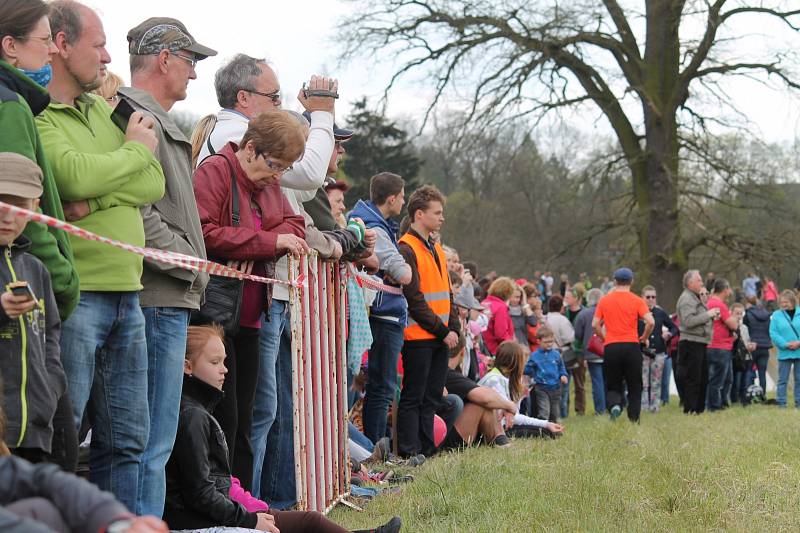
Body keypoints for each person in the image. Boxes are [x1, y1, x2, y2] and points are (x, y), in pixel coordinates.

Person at [38, 0, 166, 509]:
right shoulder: (40, 113)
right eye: (98, 45)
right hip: (78, 297)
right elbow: (70, 176)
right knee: (64, 438)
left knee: (129, 443)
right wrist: (131, 155)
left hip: (127, 294)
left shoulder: (102, 110)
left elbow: (153, 181)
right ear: (62, 45)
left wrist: (94, 199)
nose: (109, 56)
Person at [164, 324, 402, 533]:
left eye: (224, 361)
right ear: (187, 366)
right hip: (205, 519)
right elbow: (201, 494)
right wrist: (249, 518)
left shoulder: (198, 411)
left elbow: (217, 484)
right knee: (309, 522)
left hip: (223, 512)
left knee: (310, 521)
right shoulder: (192, 416)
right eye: (215, 362)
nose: (225, 369)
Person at [119, 17, 216, 517]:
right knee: (147, 446)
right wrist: (191, 264)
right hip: (157, 296)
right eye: (191, 61)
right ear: (164, 59)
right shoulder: (139, 118)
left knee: (150, 446)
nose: (194, 75)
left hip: (165, 296)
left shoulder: (150, 118)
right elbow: (136, 215)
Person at [193, 110, 307, 491]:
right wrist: (267, 242)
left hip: (251, 319)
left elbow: (295, 224)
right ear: (251, 148)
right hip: (214, 320)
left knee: (245, 421)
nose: (278, 176)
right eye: (275, 165)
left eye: (284, 169)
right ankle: (223, 504)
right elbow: (203, 231)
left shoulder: (267, 183)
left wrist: (264, 240)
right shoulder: (214, 172)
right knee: (221, 420)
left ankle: (244, 506)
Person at [0, 0, 80, 472]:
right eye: (44, 39)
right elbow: (20, 205)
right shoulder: (9, 106)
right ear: (10, 46)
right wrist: (62, 281)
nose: (53, 50)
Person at [0, 153, 64, 463]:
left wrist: (50, 389)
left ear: (35, 208)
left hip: (36, 430)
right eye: (1, 203)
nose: (7, 217)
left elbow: (51, 333)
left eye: (18, 206)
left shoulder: (36, 269)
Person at [396, 185, 460, 459]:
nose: (442, 217)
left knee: (432, 397)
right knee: (414, 396)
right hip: (419, 337)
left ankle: (427, 449)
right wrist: (444, 330)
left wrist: (454, 326)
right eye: (437, 212)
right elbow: (415, 298)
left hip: (439, 336)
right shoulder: (406, 248)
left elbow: (447, 292)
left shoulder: (436, 248)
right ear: (419, 214)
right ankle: (411, 451)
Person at [349, 172, 412, 444]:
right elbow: (403, 273)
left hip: (384, 311)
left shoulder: (380, 223)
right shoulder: (374, 226)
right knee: (381, 386)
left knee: (382, 385)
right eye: (402, 196)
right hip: (384, 313)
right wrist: (407, 266)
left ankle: (376, 445)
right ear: (392, 198)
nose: (404, 202)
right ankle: (374, 446)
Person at [592, 268, 654, 422]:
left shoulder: (605, 300)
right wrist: (644, 337)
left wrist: (604, 338)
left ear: (614, 281)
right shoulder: (637, 300)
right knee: (634, 384)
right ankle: (634, 418)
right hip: (631, 346)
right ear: (631, 281)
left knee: (613, 383)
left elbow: (595, 324)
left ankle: (615, 405)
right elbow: (651, 322)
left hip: (612, 346)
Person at [478, 341, 563, 437]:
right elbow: (511, 418)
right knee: (547, 432)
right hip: (496, 430)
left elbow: (513, 414)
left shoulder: (503, 378)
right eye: (523, 362)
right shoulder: (494, 381)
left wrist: (519, 395)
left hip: (503, 426)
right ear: (514, 363)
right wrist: (546, 424)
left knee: (547, 430)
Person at [441, 336, 514, 449]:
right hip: (447, 439)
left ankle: (499, 439)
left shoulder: (443, 372)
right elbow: (486, 398)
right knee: (482, 403)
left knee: (487, 400)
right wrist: (510, 406)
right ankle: (499, 440)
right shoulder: (447, 373)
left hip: (441, 431)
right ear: (463, 352)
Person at [675, 270, 716, 415]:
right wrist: (708, 315)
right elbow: (688, 321)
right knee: (693, 378)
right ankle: (691, 410)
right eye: (699, 280)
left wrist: (709, 317)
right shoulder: (687, 299)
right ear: (690, 283)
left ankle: (698, 410)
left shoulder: (694, 297)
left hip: (699, 342)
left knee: (702, 377)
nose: (702, 283)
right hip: (691, 343)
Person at [638, 285, 678, 413]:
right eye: (648, 297)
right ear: (642, 298)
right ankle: (643, 408)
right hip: (642, 352)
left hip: (658, 353)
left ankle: (654, 408)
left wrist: (669, 334)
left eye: (653, 297)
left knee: (656, 382)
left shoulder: (660, 313)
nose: (650, 299)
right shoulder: (637, 313)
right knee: (643, 383)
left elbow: (674, 327)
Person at [705, 279, 738, 411]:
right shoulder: (719, 305)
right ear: (725, 290)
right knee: (717, 380)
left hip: (710, 345)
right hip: (720, 347)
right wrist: (735, 319)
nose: (730, 292)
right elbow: (733, 325)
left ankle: (713, 404)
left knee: (712, 377)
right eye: (729, 289)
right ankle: (714, 406)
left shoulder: (708, 302)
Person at [524, 327, 568, 422]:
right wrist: (525, 369)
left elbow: (561, 367)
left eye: (551, 342)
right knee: (544, 411)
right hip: (541, 387)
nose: (549, 344)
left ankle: (553, 430)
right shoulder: (534, 356)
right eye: (546, 342)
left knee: (554, 412)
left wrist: (563, 375)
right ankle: (542, 429)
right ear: (538, 341)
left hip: (555, 387)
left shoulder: (556, 354)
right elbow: (527, 369)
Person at [573, 288, 606, 415]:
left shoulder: (583, 314)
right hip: (608, 350)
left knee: (597, 381)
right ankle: (610, 406)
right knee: (607, 380)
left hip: (592, 352)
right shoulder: (607, 312)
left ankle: (600, 410)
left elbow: (578, 335)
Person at [543, 295, 575, 417]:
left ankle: (551, 411)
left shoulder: (545, 318)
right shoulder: (563, 320)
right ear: (561, 307)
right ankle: (562, 412)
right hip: (561, 353)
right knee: (564, 385)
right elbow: (569, 337)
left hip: (546, 354)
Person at [769, 290, 800, 408]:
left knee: (799, 380)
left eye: (786, 302)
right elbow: (773, 333)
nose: (783, 304)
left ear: (792, 301)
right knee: (782, 380)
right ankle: (781, 403)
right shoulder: (776, 315)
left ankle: (799, 402)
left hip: (799, 351)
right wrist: (786, 344)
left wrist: (798, 343)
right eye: (781, 302)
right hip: (784, 352)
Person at [563, 286, 586, 416]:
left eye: (567, 297)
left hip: (580, 352)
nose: (565, 299)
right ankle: (564, 410)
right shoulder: (563, 312)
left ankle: (580, 410)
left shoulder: (584, 313)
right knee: (565, 382)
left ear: (576, 298)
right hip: (566, 351)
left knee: (580, 383)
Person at [481, 276, 516, 356]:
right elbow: (501, 334)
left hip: (483, 347)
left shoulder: (484, 303)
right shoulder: (500, 307)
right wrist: (513, 346)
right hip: (496, 350)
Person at [744, 296, 772, 393]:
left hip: (752, 346)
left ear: (749, 303)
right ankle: (763, 394)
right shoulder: (767, 314)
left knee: (749, 371)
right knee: (762, 373)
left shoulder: (748, 314)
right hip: (765, 346)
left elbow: (745, 329)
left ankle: (747, 394)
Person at [729, 303, 755, 404]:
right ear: (731, 313)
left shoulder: (744, 327)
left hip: (746, 357)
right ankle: (734, 400)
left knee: (746, 381)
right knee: (736, 381)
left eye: (741, 313)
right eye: (737, 313)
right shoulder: (730, 326)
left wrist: (750, 346)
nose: (739, 316)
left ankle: (743, 400)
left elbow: (747, 340)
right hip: (735, 358)